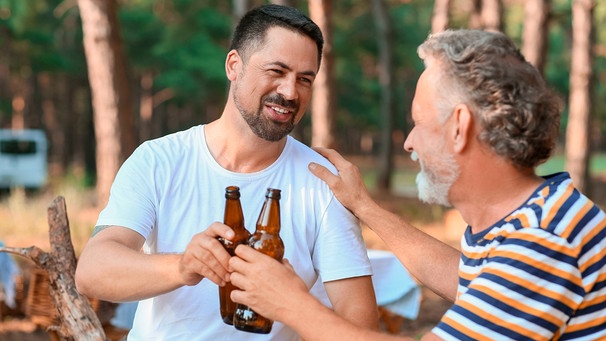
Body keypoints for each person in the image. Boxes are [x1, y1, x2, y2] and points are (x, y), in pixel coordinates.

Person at [228, 29, 606, 340]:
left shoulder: (542, 241)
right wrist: (366, 208)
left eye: (419, 123)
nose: (409, 142)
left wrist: (292, 304)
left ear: (460, 127)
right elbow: (465, 279)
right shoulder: (534, 218)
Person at [75, 4, 379, 340]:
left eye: (304, 79)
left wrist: (296, 303)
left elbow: (362, 326)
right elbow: (92, 271)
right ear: (234, 65)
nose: (290, 92)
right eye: (276, 71)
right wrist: (183, 266)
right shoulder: (158, 160)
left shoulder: (322, 183)